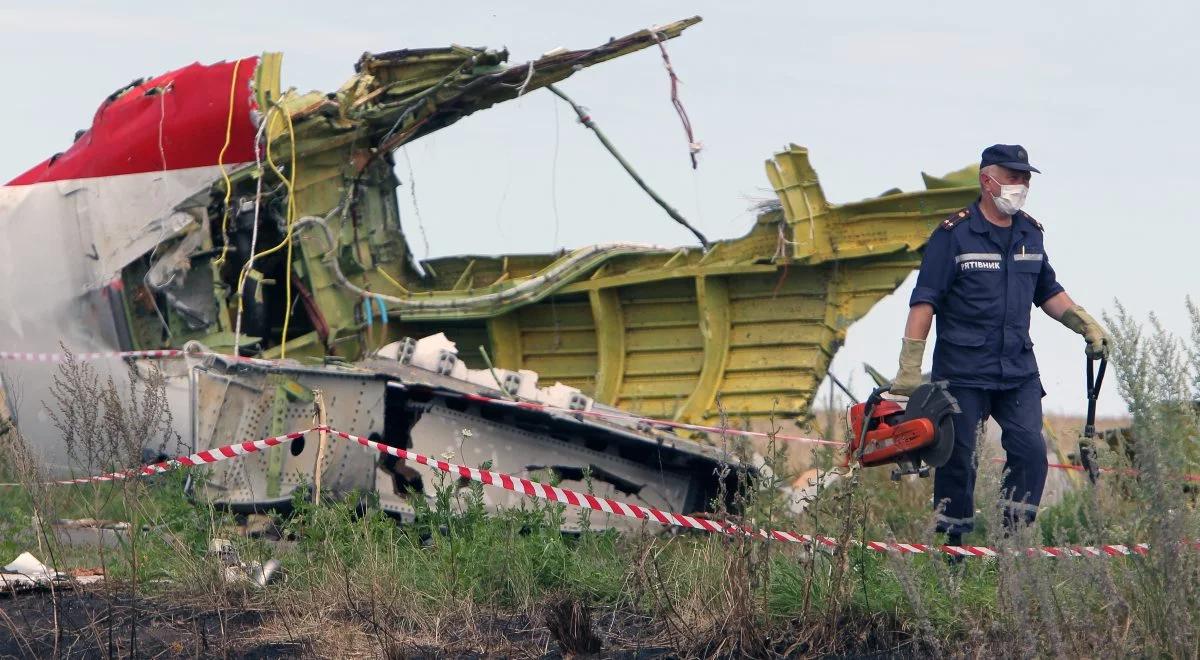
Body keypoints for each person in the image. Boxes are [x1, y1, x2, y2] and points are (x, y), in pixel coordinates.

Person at [891, 144, 1110, 544]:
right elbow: (925, 301)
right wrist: (909, 367)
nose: (1020, 185)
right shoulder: (953, 235)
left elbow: (1048, 292)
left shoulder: (1030, 232)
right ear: (986, 179)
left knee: (1030, 452)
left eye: (1025, 178)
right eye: (1012, 177)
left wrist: (1084, 324)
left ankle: (1009, 548)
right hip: (962, 373)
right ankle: (952, 551)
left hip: (1017, 371)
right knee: (959, 462)